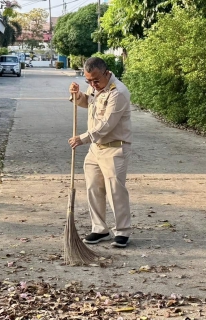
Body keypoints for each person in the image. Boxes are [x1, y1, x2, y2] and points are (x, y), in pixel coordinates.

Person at [68, 57, 133, 248]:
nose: (93, 85)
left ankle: (122, 231)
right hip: (96, 149)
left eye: (96, 80)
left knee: (115, 191)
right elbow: (88, 102)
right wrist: (77, 95)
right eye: (88, 81)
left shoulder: (118, 92)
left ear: (107, 73)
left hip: (115, 148)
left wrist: (82, 138)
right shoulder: (95, 87)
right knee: (93, 188)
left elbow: (107, 125)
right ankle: (99, 228)